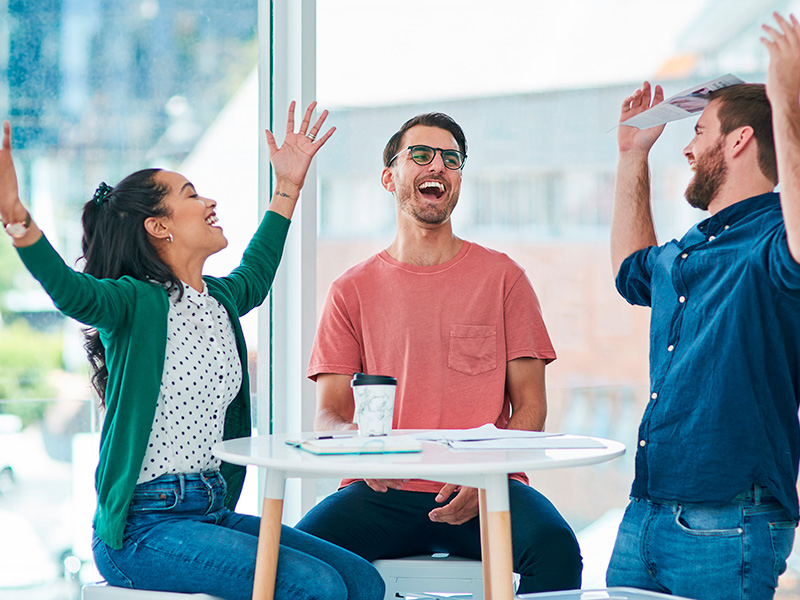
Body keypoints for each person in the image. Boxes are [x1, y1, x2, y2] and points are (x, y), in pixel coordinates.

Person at [0, 102, 385, 600]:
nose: (209, 201)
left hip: (211, 510)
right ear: (159, 226)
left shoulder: (218, 300)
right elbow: (72, 292)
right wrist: (18, 221)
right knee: (318, 586)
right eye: (191, 194)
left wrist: (288, 185)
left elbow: (257, 271)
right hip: (142, 530)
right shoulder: (134, 302)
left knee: (362, 580)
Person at [295, 112, 582, 594]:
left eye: (451, 159)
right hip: (383, 490)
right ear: (389, 177)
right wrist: (361, 448)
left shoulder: (504, 278)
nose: (438, 166)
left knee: (556, 548)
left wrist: (489, 475)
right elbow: (329, 415)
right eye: (421, 155)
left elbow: (531, 405)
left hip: (488, 487)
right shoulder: (350, 290)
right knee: (294, 559)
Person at [605, 12, 800, 600]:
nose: (687, 148)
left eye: (699, 131)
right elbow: (630, 273)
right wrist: (631, 156)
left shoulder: (775, 240)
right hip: (645, 512)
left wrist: (787, 97)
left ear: (739, 140)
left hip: (730, 520)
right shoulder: (690, 248)